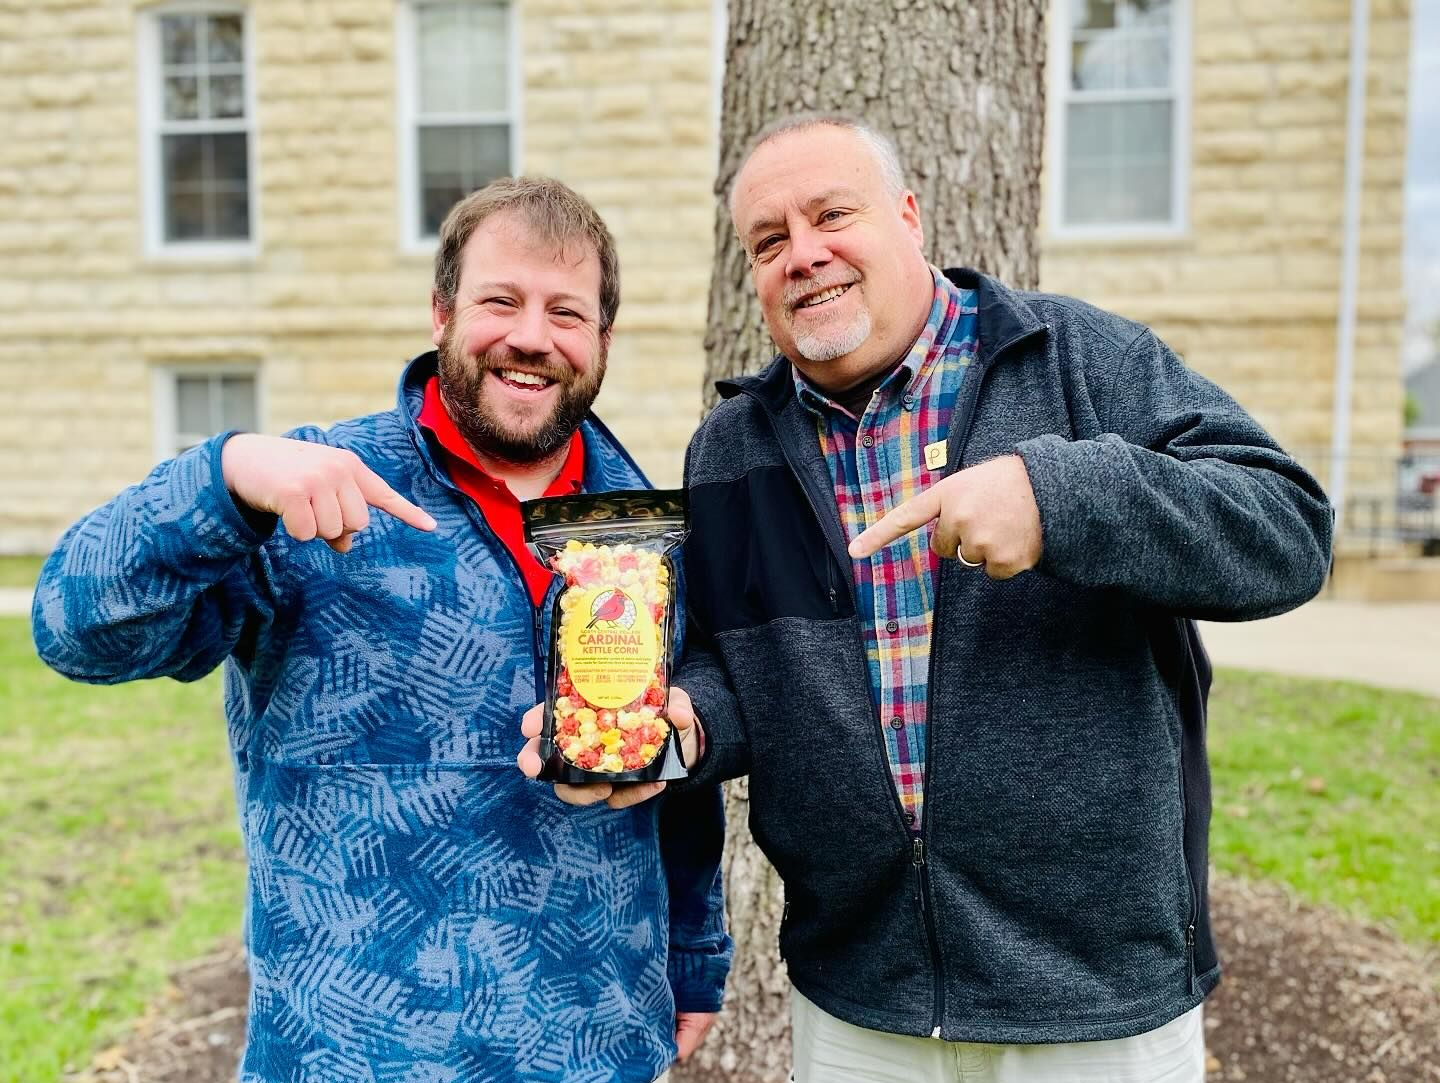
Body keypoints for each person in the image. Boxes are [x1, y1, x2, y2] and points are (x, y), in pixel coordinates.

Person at [524, 116, 1334, 1082]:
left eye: (833, 215)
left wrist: (1060, 497)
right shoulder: (733, 449)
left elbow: (1289, 529)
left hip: (1095, 997)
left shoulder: (1075, 361)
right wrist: (685, 726)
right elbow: (743, 672)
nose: (804, 255)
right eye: (769, 240)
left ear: (908, 216)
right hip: (861, 1002)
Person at [33, 176, 730, 1083]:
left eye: (567, 311)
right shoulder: (313, 493)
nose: (531, 336)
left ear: (601, 338)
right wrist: (224, 475)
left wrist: (693, 956)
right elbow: (74, 629)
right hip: (352, 1053)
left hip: (593, 1046)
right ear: (441, 310)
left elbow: (677, 758)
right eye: (500, 301)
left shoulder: (636, 527)